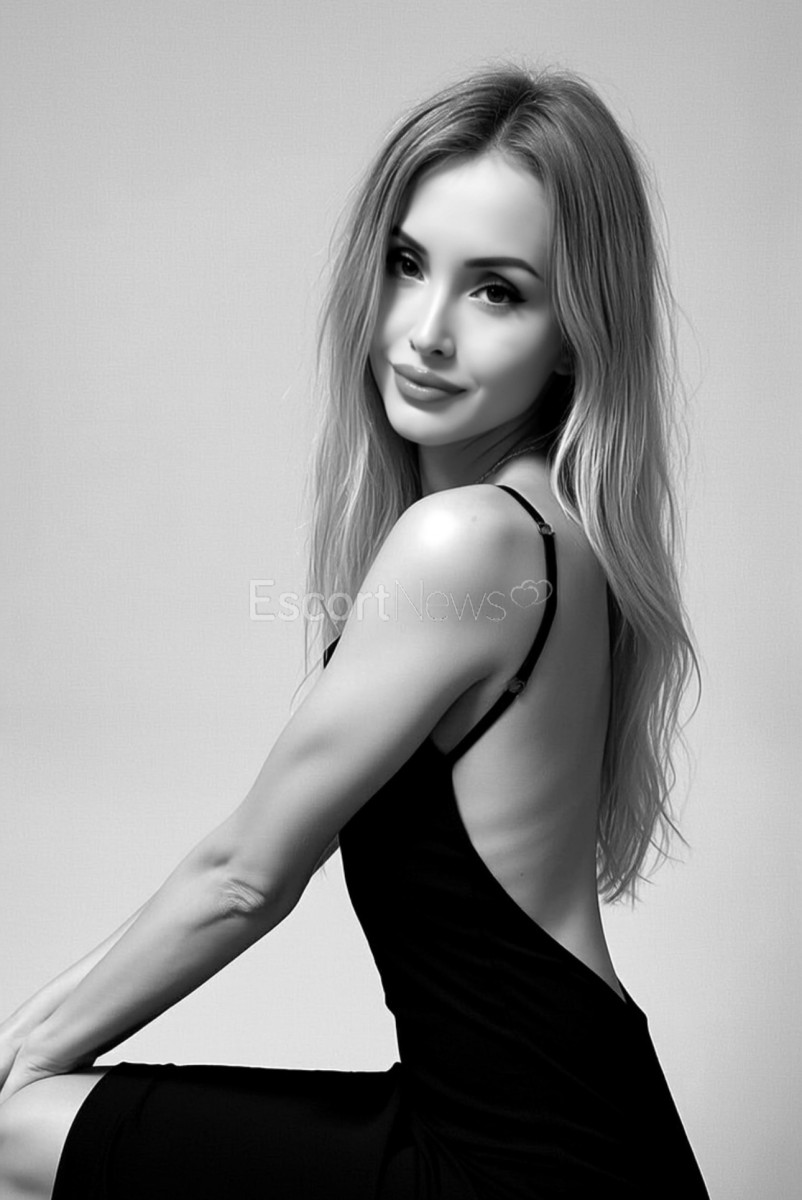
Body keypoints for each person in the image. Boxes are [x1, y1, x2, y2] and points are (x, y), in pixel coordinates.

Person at [0, 63, 710, 1198]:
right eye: (408, 264)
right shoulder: (555, 535)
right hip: (576, 1137)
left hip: (512, 1169)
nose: (424, 333)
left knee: (18, 1132)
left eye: (497, 292)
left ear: (575, 336)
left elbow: (245, 875)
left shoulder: (470, 542)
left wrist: (22, 1062)